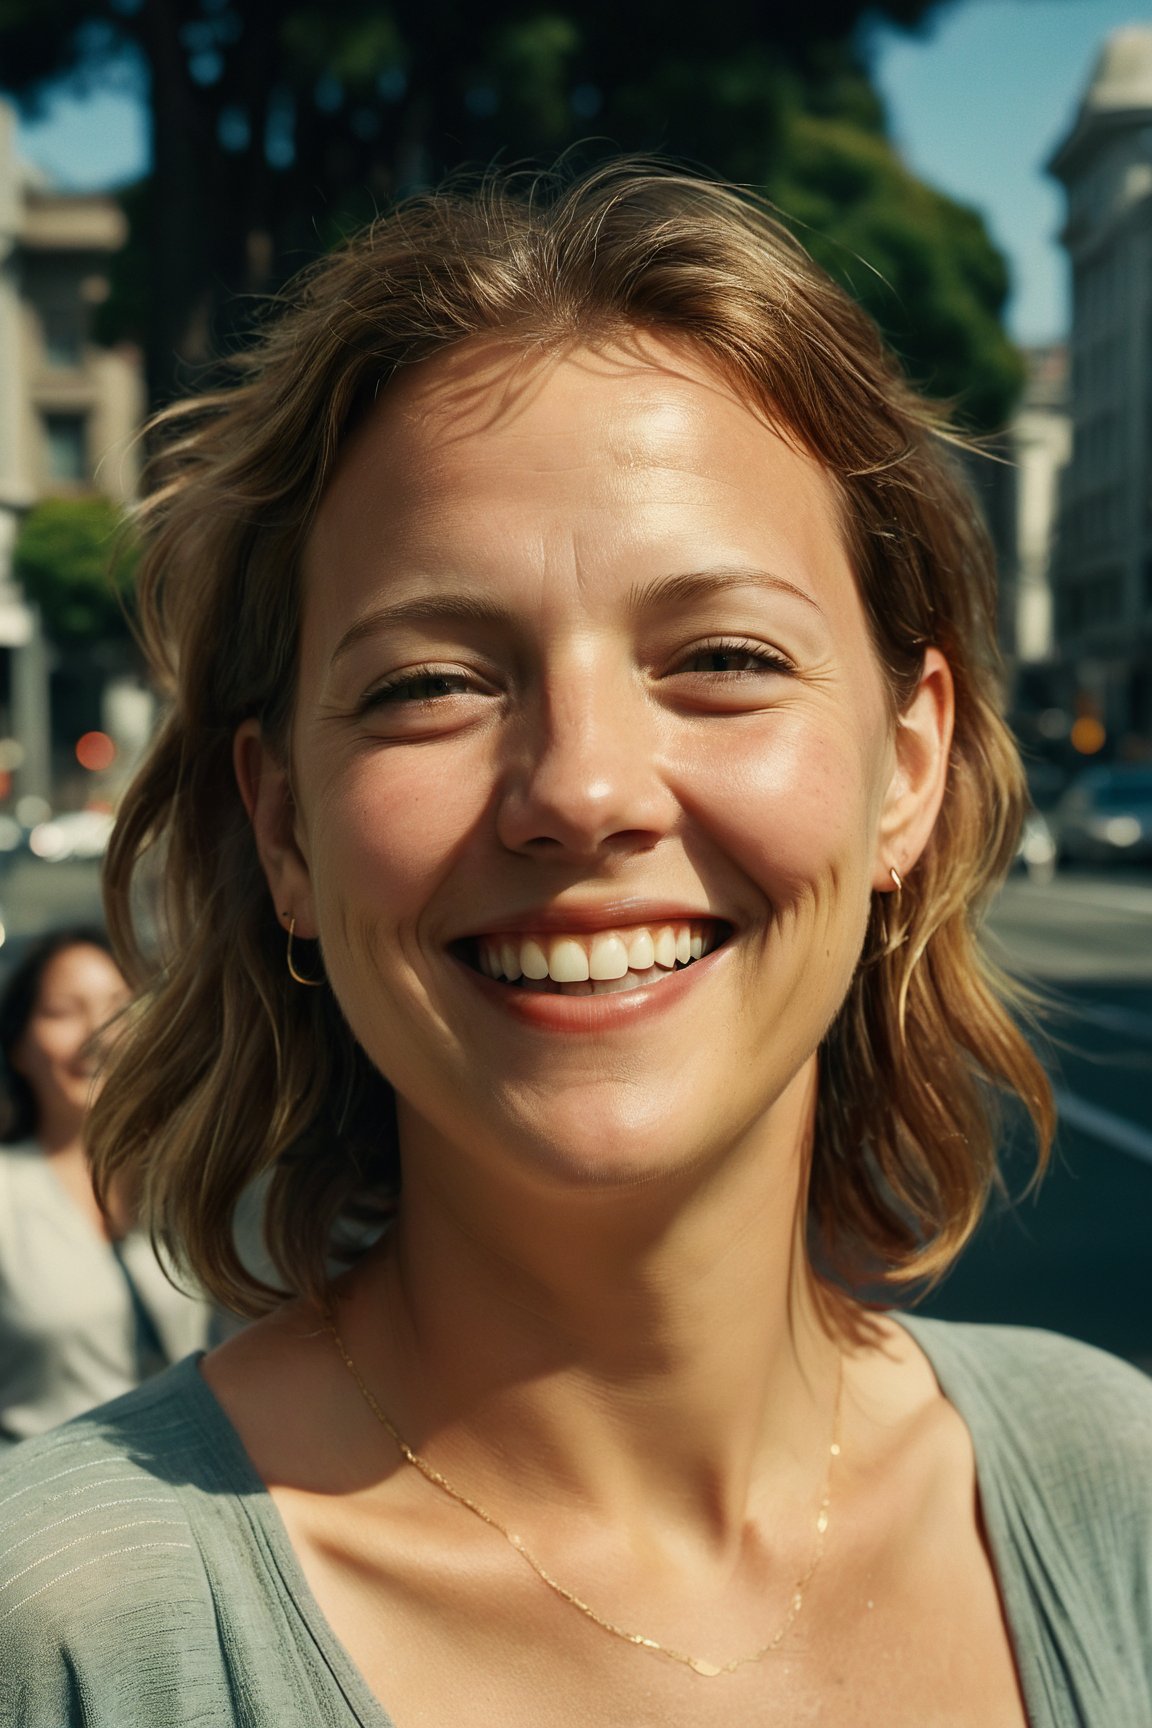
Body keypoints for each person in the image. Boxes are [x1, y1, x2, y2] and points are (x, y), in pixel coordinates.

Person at [0, 163, 1148, 1727]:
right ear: (282, 829)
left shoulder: (1119, 1490)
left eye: (726, 658)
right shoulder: (67, 1630)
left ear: (912, 765)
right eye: (428, 682)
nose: (584, 790)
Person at [0, 929, 212, 1445]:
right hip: (42, 1505)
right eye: (63, 1011)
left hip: (181, 1491)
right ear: (18, 1047)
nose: (100, 1030)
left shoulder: (178, 1181)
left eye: (119, 1006)